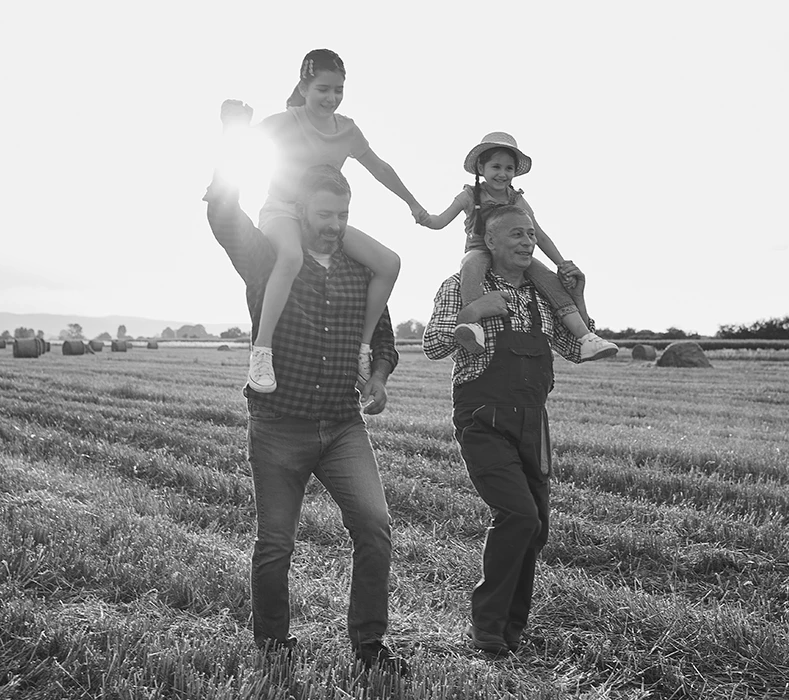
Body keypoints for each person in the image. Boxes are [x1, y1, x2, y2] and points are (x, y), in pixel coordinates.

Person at [203, 162, 407, 673]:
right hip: (278, 425)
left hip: (342, 425)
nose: (334, 224)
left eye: (342, 214)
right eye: (324, 213)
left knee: (375, 527)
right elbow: (226, 220)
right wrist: (231, 149)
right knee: (275, 543)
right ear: (300, 210)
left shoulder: (361, 271)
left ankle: (369, 644)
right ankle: (273, 644)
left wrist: (379, 376)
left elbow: (382, 338)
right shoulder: (268, 258)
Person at [423, 204, 600, 656]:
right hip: (482, 418)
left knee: (535, 527)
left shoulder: (545, 295)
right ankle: (487, 625)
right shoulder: (460, 285)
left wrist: (579, 298)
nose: (526, 242)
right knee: (518, 516)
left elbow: (577, 351)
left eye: (530, 235)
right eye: (516, 235)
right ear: (492, 242)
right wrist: (476, 310)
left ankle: (510, 629)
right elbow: (433, 344)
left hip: (532, 421)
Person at [221, 48, 429, 396]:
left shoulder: (347, 130)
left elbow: (380, 168)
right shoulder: (287, 121)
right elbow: (243, 144)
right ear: (304, 87)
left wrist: (413, 204)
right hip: (284, 212)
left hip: (326, 220)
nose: (331, 97)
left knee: (389, 263)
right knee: (290, 258)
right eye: (323, 89)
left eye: (338, 90)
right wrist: (234, 124)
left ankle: (362, 350)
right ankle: (262, 350)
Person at [419, 132, 616, 361]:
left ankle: (586, 337)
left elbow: (539, 236)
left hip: (513, 255)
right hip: (479, 249)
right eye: (496, 166)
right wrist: (426, 219)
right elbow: (440, 221)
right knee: (470, 265)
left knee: (550, 280)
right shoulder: (470, 195)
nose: (503, 174)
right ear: (481, 168)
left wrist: (561, 264)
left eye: (509, 168)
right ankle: (473, 327)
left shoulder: (517, 199)